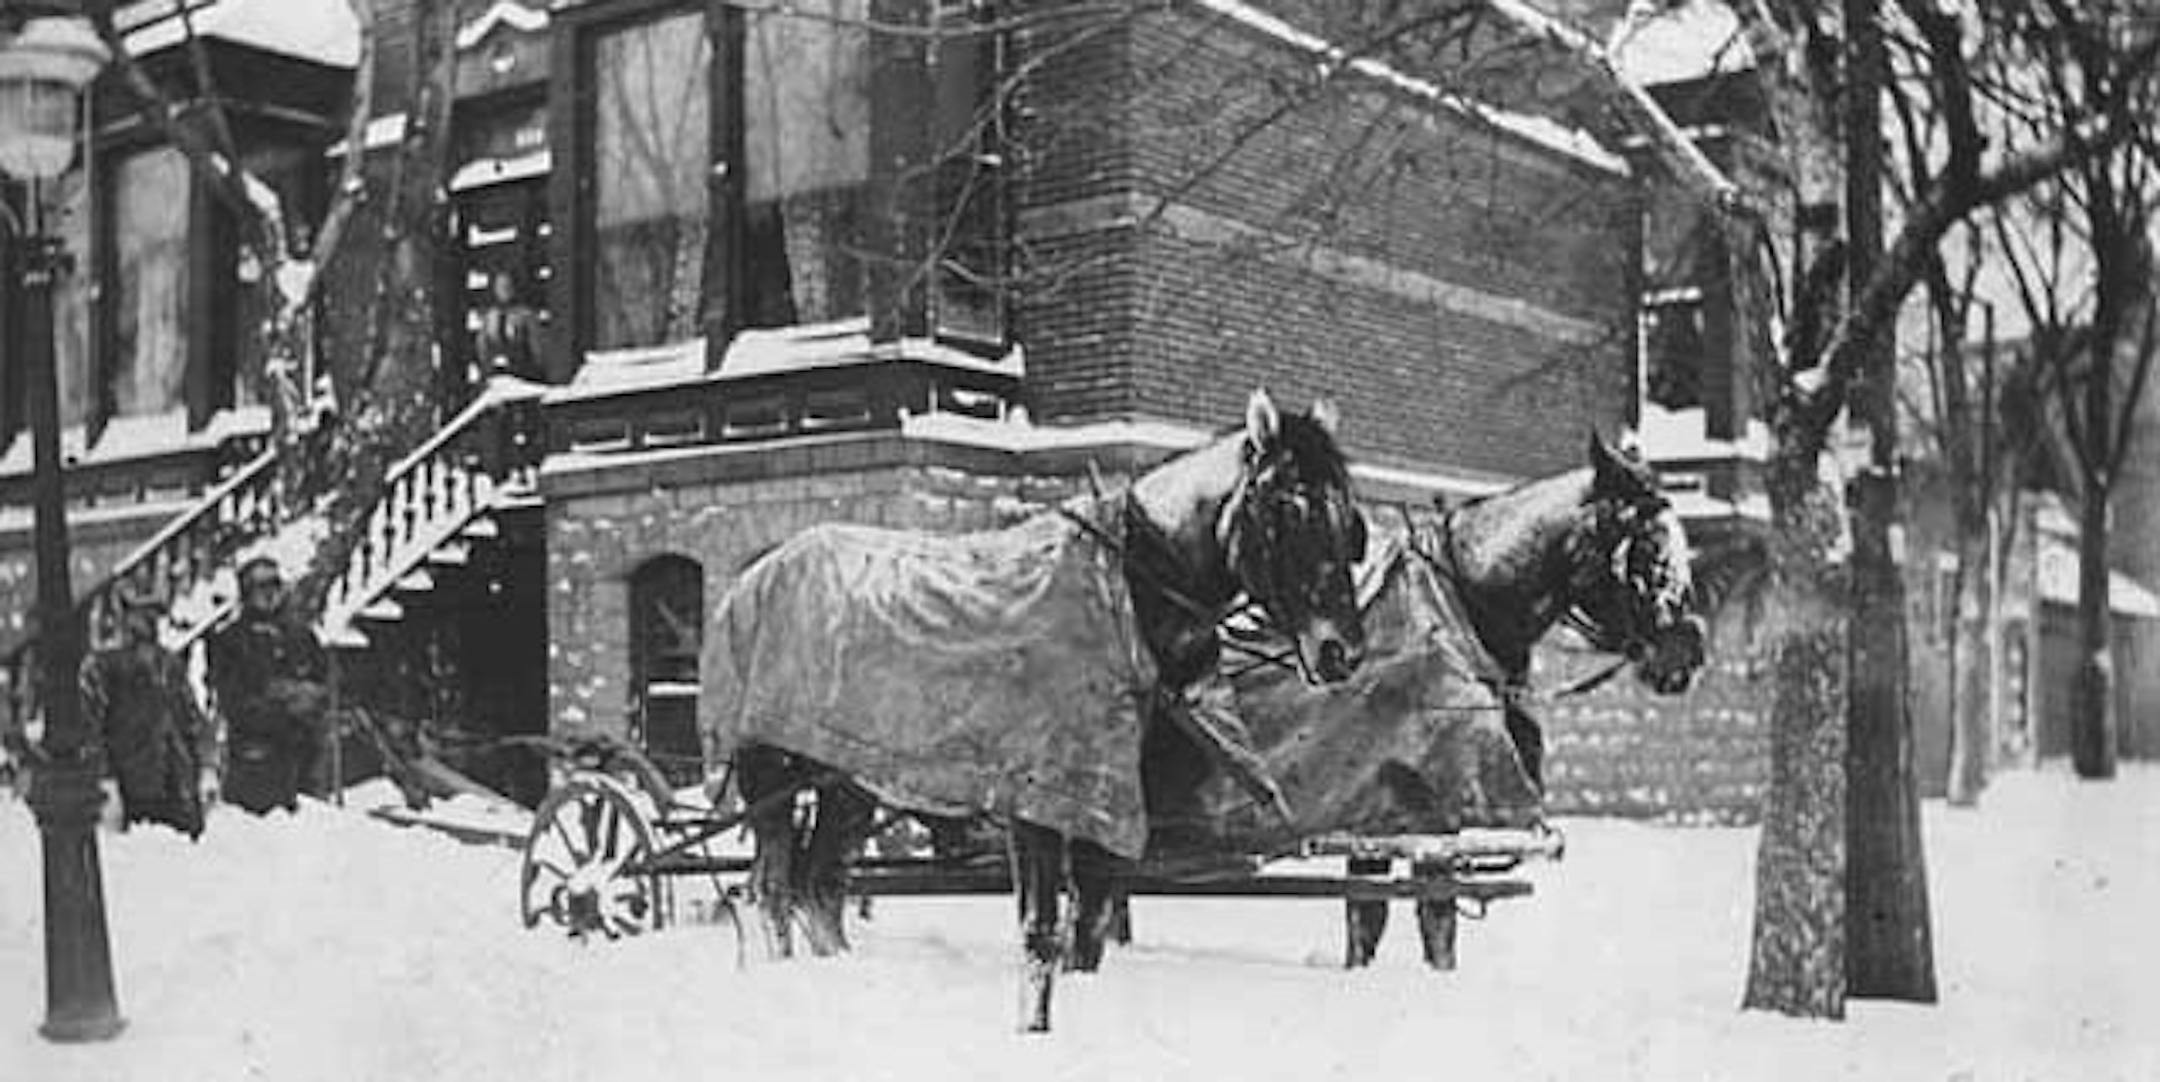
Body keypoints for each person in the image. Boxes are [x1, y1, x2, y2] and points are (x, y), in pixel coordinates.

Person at [79, 583, 220, 838]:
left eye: (153, 615)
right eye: (140, 614)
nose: (148, 621)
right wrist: (105, 780)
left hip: (179, 789)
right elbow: (91, 729)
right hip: (133, 788)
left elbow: (192, 719)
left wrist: (207, 765)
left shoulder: (169, 664)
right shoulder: (105, 667)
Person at [207, 558, 330, 814]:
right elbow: (234, 702)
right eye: (260, 586)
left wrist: (309, 698)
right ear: (246, 591)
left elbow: (325, 682)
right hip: (256, 764)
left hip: (304, 761)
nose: (270, 593)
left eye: (275, 584)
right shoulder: (230, 640)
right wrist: (285, 706)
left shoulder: (302, 636)